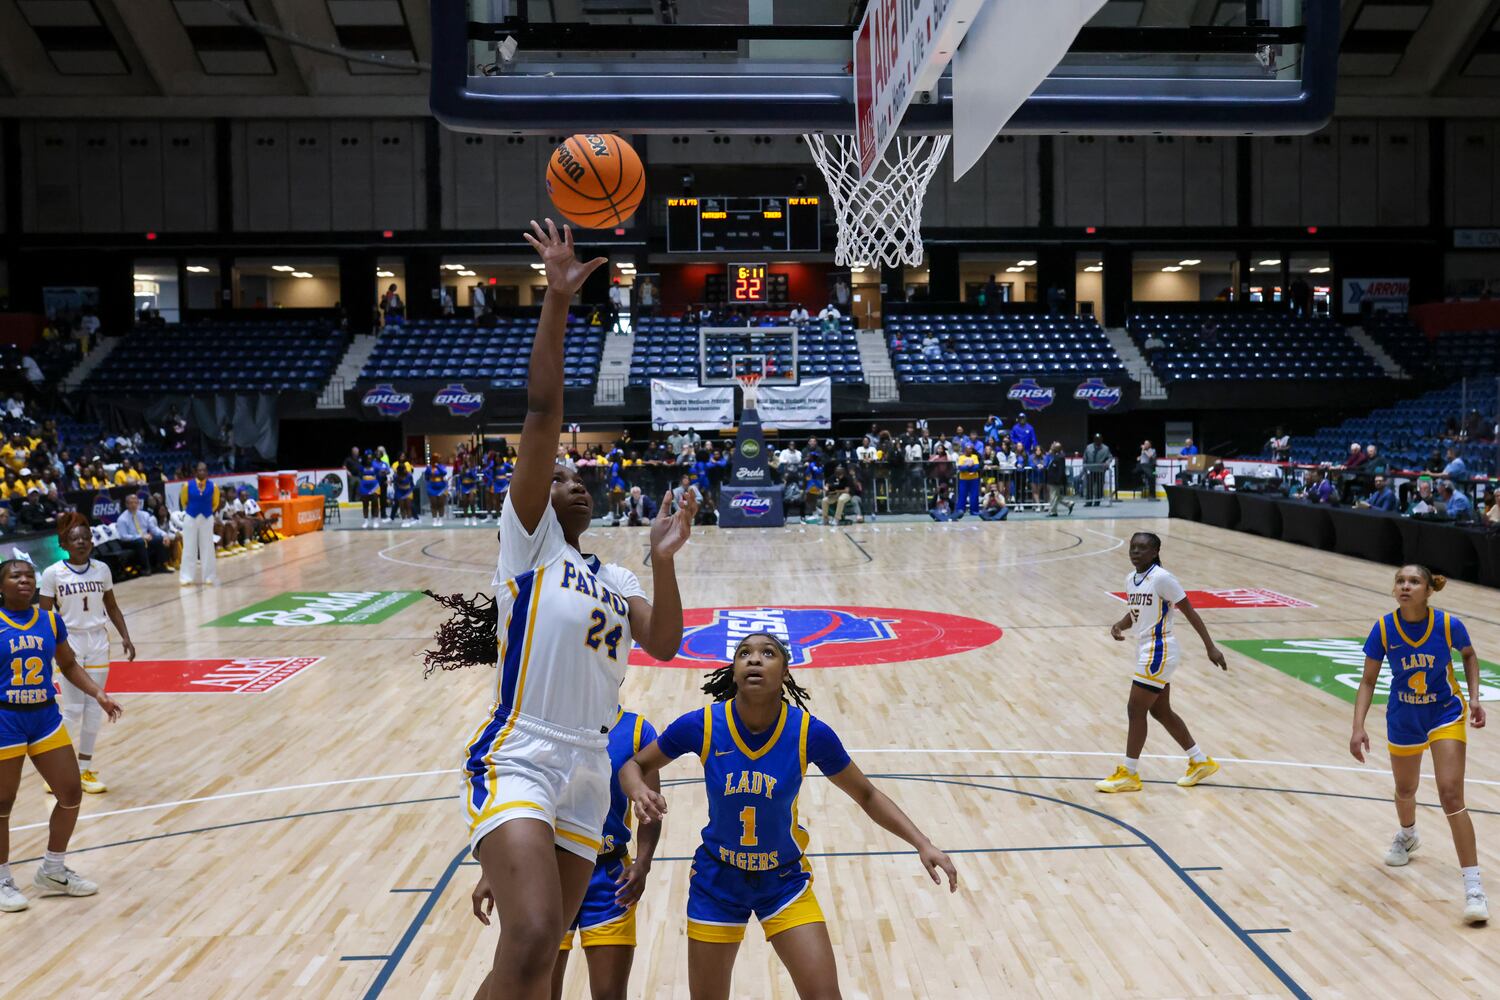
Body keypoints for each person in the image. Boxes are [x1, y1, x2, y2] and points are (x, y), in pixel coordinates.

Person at [428, 219, 694, 1000]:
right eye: (561, 477)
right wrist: (556, 301)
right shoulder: (528, 547)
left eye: (583, 478)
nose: (572, 480)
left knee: (541, 958)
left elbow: (670, 645)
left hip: (590, 767)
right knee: (536, 933)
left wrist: (663, 562)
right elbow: (543, 414)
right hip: (523, 752)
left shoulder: (614, 572)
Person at [618, 632, 957, 999]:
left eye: (768, 653)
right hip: (717, 881)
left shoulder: (809, 733)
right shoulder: (702, 724)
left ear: (785, 674)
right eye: (744, 653)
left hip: (783, 880)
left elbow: (867, 794)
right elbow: (634, 765)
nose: (754, 659)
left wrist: (923, 843)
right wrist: (637, 789)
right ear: (733, 672)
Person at [472, 705, 664, 1000]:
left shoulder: (638, 731)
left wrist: (644, 863)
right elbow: (514, 802)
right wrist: (491, 871)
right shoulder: (544, 727)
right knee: (534, 981)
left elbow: (651, 809)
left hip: (609, 875)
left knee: (610, 994)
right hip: (550, 873)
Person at [1350, 565, 1488, 924]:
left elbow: (1470, 655)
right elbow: (1367, 680)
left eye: (1414, 581)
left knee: (1451, 795)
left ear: (1428, 591)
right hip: (1403, 716)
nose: (1405, 586)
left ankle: (1473, 888)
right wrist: (1358, 727)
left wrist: (1474, 698)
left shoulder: (1447, 625)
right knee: (1405, 788)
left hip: (1445, 712)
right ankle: (1408, 835)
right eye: (1400, 581)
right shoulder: (1383, 628)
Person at [0, 558, 122, 913]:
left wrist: (98, 694)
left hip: (43, 716)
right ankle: (3, 878)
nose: (24, 580)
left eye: (28, 575)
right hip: (5, 717)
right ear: (1, 585)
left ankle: (53, 870)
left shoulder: (51, 621)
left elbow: (67, 664)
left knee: (69, 791)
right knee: (3, 803)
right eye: (14, 575)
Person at [1096, 532, 1228, 793]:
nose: (1135, 552)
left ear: (1155, 552)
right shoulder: (1131, 579)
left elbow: (1190, 612)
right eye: (1133, 547)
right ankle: (1200, 761)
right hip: (1145, 648)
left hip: (1160, 650)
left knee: (1135, 709)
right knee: (1160, 711)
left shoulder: (1163, 578)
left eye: (1142, 548)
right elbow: (1136, 613)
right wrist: (1120, 625)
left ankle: (1129, 774)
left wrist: (1210, 646)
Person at [39, 521, 136, 795]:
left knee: (95, 705)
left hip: (97, 640)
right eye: (75, 538)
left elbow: (112, 605)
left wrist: (125, 636)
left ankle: (84, 769)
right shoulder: (52, 573)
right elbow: (45, 616)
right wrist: (46, 651)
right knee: (72, 709)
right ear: (64, 545)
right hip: (67, 640)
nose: (81, 542)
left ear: (92, 542)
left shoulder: (102, 569)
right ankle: (55, 771)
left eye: (85, 538)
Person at [178, 462, 219, 587]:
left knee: (208, 547)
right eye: (199, 470)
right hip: (191, 517)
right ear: (195, 472)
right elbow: (183, 502)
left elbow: (215, 503)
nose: (202, 472)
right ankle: (186, 577)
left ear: (207, 472)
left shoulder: (214, 486)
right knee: (189, 547)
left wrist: (208, 513)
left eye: (204, 470)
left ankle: (209, 576)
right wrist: (191, 512)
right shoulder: (186, 485)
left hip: (207, 517)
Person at [113, 493, 171, 574]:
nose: (133, 505)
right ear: (126, 504)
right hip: (130, 541)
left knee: (159, 539)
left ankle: (161, 566)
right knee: (141, 542)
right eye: (131, 503)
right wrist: (141, 536)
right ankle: (146, 568)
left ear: (138, 503)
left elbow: (154, 529)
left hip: (145, 538)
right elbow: (123, 536)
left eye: (135, 502)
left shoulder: (145, 515)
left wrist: (164, 535)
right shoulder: (122, 519)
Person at [1045, 442, 1074, 516]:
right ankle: (1069, 504)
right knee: (1057, 496)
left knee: (1053, 496)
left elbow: (1061, 470)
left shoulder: (1060, 457)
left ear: (1056, 448)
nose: (1051, 447)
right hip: (1052, 479)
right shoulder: (1054, 456)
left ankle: (1053, 512)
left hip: (1055, 480)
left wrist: (1058, 480)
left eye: (1053, 446)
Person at [1082, 434, 1111, 506]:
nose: (1097, 441)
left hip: (1100, 471)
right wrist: (1084, 467)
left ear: (1101, 440)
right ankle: (1089, 501)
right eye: (1096, 439)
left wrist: (1107, 463)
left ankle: (1097, 501)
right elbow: (1085, 457)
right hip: (1090, 470)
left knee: (1099, 487)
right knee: (1089, 486)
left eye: (1099, 439)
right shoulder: (1088, 447)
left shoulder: (1105, 448)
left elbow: (1110, 457)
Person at [392, 453, 417, 527]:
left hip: (408, 491)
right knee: (402, 507)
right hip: (400, 492)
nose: (405, 470)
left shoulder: (409, 475)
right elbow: (395, 484)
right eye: (403, 469)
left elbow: (412, 484)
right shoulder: (396, 476)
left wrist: (410, 491)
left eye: (405, 469)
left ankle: (409, 520)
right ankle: (404, 520)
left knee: (408, 506)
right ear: (399, 470)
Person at [358, 452, 381, 529]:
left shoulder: (376, 467)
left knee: (375, 503)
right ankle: (366, 521)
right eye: (368, 458)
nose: (369, 460)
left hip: (374, 486)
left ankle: (375, 521)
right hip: (364, 486)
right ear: (365, 459)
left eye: (371, 458)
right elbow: (358, 475)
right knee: (365, 504)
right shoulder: (361, 467)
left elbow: (380, 475)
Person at [424, 455, 449, 527]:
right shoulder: (429, 468)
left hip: (441, 487)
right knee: (433, 504)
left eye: (438, 458)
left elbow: (444, 473)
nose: (437, 459)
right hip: (432, 487)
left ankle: (441, 519)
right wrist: (431, 482)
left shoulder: (442, 467)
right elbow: (426, 477)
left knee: (441, 504)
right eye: (435, 459)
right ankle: (434, 519)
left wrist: (437, 466)